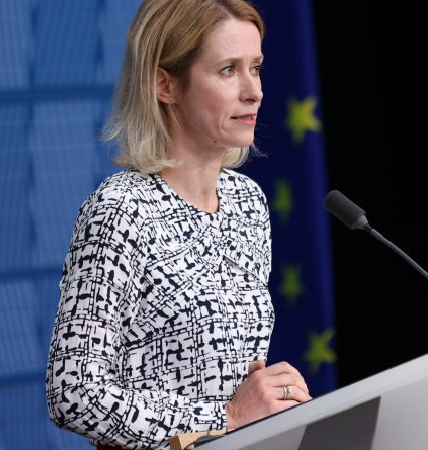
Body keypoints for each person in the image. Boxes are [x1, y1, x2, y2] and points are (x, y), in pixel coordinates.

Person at [45, 0, 311, 449]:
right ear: (165, 85)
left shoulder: (247, 202)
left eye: (256, 68)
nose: (254, 91)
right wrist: (225, 417)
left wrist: (271, 404)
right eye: (228, 70)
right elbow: (72, 393)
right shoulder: (120, 210)